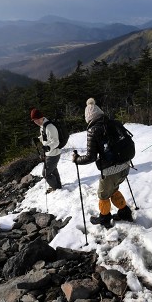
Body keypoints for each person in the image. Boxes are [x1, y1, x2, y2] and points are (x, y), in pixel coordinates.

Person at [72, 98, 134, 228]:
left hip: (111, 170)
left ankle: (104, 219)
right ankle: (125, 213)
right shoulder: (114, 123)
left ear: (88, 118)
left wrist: (77, 159)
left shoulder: (93, 130)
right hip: (126, 164)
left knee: (103, 195)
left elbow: (90, 157)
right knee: (113, 189)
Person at [31, 108, 62, 192]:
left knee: (45, 173)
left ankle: (56, 188)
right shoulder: (42, 126)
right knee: (54, 169)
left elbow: (56, 142)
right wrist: (38, 139)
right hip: (49, 153)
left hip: (53, 154)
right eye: (34, 120)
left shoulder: (50, 127)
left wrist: (48, 147)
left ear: (41, 117)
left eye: (37, 119)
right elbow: (45, 137)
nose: (36, 122)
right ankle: (58, 186)